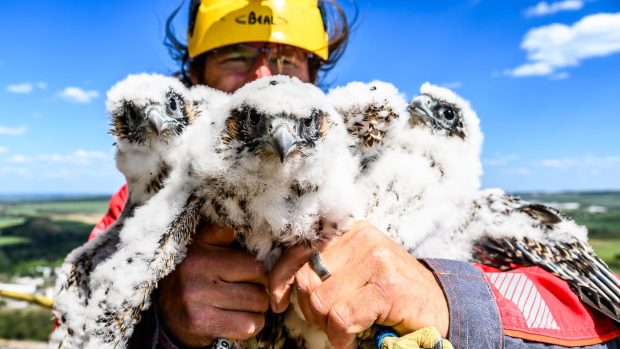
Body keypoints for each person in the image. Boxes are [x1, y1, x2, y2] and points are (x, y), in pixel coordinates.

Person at [88, 1, 620, 348]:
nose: (263, 76)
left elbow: (597, 323)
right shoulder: (149, 204)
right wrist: (159, 323)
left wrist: (446, 299)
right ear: (195, 76)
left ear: (315, 79)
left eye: (288, 61)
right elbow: (77, 325)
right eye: (235, 56)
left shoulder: (395, 165)